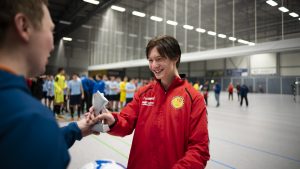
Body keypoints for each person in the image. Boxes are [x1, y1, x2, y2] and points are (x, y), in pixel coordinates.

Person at [0, 0, 101, 168]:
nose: (52, 46)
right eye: (50, 31)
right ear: (24, 26)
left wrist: (76, 129)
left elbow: (28, 146)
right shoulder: (30, 119)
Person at [92, 35, 210, 169]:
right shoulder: (143, 93)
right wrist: (112, 120)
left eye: (159, 59)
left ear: (175, 57)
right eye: (150, 60)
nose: (154, 66)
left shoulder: (193, 98)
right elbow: (126, 121)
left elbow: (199, 149)